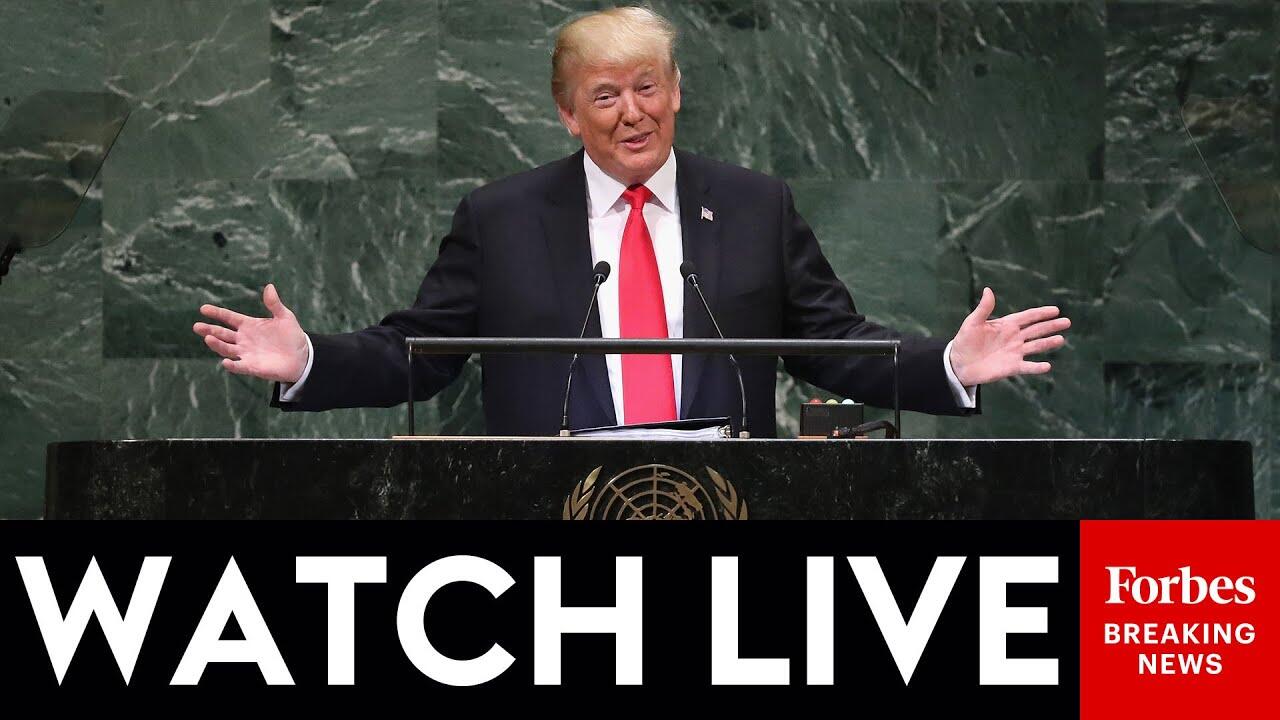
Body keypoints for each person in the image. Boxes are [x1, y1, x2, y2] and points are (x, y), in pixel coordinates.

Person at [193, 7, 1069, 437]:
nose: (633, 112)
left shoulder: (755, 205)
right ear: (568, 113)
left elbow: (831, 343)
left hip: (724, 517)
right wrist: (308, 361)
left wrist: (946, 366)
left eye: (648, 86)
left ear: (677, 91)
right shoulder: (501, 218)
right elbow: (419, 353)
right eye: (605, 94)